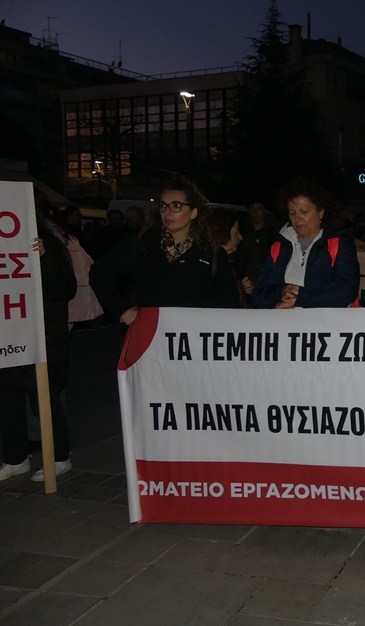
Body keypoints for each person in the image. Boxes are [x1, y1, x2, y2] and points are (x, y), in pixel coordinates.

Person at [90, 175, 239, 326]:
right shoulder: (142, 244)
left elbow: (229, 303)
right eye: (163, 206)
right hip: (150, 334)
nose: (167, 212)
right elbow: (99, 273)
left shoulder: (211, 252)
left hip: (193, 335)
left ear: (193, 212)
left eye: (176, 206)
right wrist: (122, 310)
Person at [0, 217, 76, 482]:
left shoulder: (49, 245)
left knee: (43, 396)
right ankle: (15, 459)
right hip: (8, 333)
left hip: (41, 335)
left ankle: (59, 457)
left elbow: (65, 288)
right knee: (7, 397)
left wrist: (44, 257)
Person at [251, 178, 359, 309]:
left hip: (324, 322)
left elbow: (347, 290)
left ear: (321, 213)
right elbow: (258, 295)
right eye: (292, 213)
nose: (297, 218)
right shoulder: (278, 246)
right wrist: (282, 291)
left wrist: (301, 298)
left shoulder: (338, 244)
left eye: (304, 212)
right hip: (285, 321)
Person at [209, 206, 250, 307]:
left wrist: (244, 292)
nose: (240, 237)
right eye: (236, 232)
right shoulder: (210, 265)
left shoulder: (231, 262)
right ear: (223, 232)